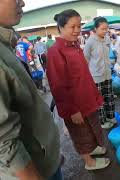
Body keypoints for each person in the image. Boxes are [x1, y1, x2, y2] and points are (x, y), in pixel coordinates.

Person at [0, 0, 63, 180]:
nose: (23, 2)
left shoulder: (6, 43)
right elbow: (3, 141)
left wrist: (51, 155)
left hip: (43, 161)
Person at [46, 9, 110, 171]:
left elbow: (83, 75)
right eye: (71, 27)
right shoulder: (55, 51)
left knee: (92, 128)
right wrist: (72, 110)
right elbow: (57, 86)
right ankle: (89, 162)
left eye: (79, 26)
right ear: (60, 27)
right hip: (74, 106)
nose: (76, 30)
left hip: (87, 99)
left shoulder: (75, 46)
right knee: (80, 135)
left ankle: (93, 149)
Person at [84, 17, 115, 129]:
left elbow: (108, 55)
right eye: (102, 29)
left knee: (109, 96)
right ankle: (102, 122)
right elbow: (85, 59)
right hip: (96, 75)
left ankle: (111, 116)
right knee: (99, 100)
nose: (105, 31)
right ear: (95, 29)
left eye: (106, 28)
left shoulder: (107, 39)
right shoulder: (90, 42)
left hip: (107, 73)